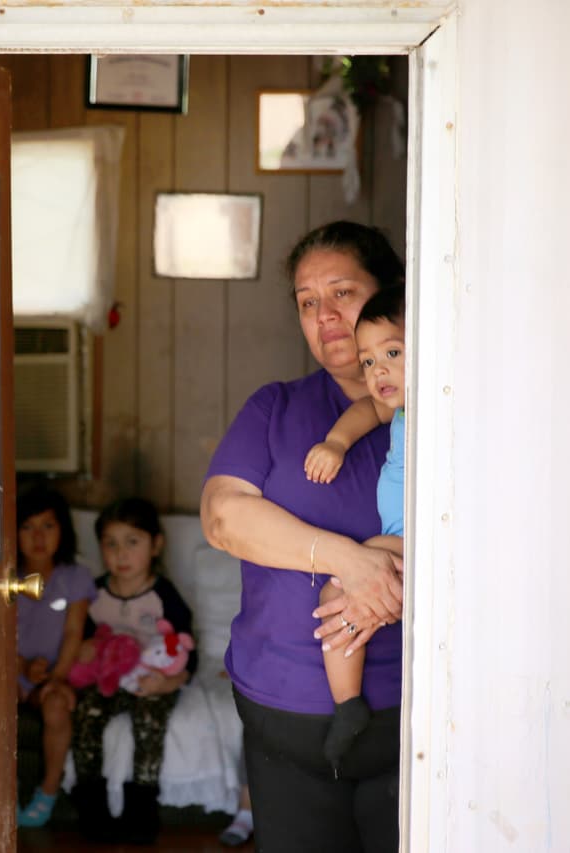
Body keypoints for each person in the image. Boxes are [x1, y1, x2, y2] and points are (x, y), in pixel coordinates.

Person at [200, 221, 405, 852]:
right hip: (282, 709)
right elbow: (223, 518)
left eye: (342, 293)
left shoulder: (442, 407)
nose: (325, 316)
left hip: (414, 716)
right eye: (308, 302)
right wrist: (349, 560)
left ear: (389, 294)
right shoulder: (277, 408)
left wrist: (403, 579)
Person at [303, 285, 407, 772]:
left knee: (339, 590)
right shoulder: (399, 408)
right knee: (347, 595)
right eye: (368, 361)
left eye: (392, 352)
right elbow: (368, 409)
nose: (378, 370)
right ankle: (348, 705)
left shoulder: (449, 409)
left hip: (417, 540)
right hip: (400, 542)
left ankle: (347, 705)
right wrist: (336, 443)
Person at [70, 498, 197, 845]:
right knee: (85, 716)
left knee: (149, 721)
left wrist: (168, 682)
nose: (120, 554)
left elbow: (189, 650)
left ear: (156, 545)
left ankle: (142, 807)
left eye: (132, 542)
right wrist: (84, 651)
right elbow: (77, 638)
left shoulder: (163, 596)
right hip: (106, 678)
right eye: (110, 543)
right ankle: (91, 806)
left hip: (150, 679)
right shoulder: (93, 593)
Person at [14, 486, 96, 829]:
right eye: (28, 527)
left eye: (48, 526)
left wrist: (57, 677)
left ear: (63, 531)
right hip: (10, 672)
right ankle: (4, 792)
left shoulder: (74, 578)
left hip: (55, 674)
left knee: (57, 707)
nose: (38, 537)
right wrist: (21, 669)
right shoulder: (3, 578)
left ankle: (47, 793)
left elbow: (74, 632)